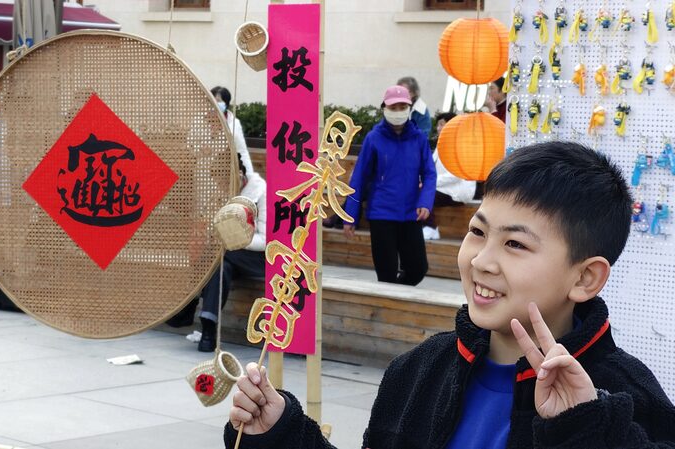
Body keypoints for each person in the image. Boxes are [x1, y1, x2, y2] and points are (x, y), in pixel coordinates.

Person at [225, 141, 675, 448]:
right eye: (478, 232)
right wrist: (280, 431)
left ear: (586, 279)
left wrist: (585, 428)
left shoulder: (623, 394)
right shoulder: (418, 371)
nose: (482, 260)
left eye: (515, 244)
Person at [168, 155, 267, 352]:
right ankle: (208, 329)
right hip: (230, 257)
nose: (223, 187)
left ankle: (190, 303)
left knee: (219, 255)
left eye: (226, 182)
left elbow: (266, 241)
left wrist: (233, 241)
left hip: (262, 257)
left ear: (239, 174)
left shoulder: (262, 192)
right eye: (220, 183)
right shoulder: (223, 194)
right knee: (220, 266)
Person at [342, 85, 436, 285]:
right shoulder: (373, 138)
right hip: (381, 214)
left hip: (411, 213)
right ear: (384, 108)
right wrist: (349, 216)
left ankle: (397, 294)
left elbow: (429, 173)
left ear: (410, 109)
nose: (398, 112)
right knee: (386, 273)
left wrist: (425, 202)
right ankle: (389, 305)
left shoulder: (419, 138)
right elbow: (358, 177)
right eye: (393, 107)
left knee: (418, 268)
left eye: (403, 107)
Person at [423, 111, 477, 240]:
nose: (438, 128)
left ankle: (431, 228)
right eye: (438, 125)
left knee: (425, 193)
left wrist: (430, 183)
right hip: (442, 187)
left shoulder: (461, 145)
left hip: (457, 190)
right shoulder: (440, 144)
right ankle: (424, 227)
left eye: (442, 124)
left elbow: (456, 174)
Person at [211, 86, 255, 178]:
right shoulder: (199, 121)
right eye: (212, 100)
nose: (215, 104)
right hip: (205, 172)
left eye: (219, 101)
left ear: (226, 103)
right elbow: (191, 146)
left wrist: (249, 174)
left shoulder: (234, 123)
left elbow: (242, 150)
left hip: (226, 172)